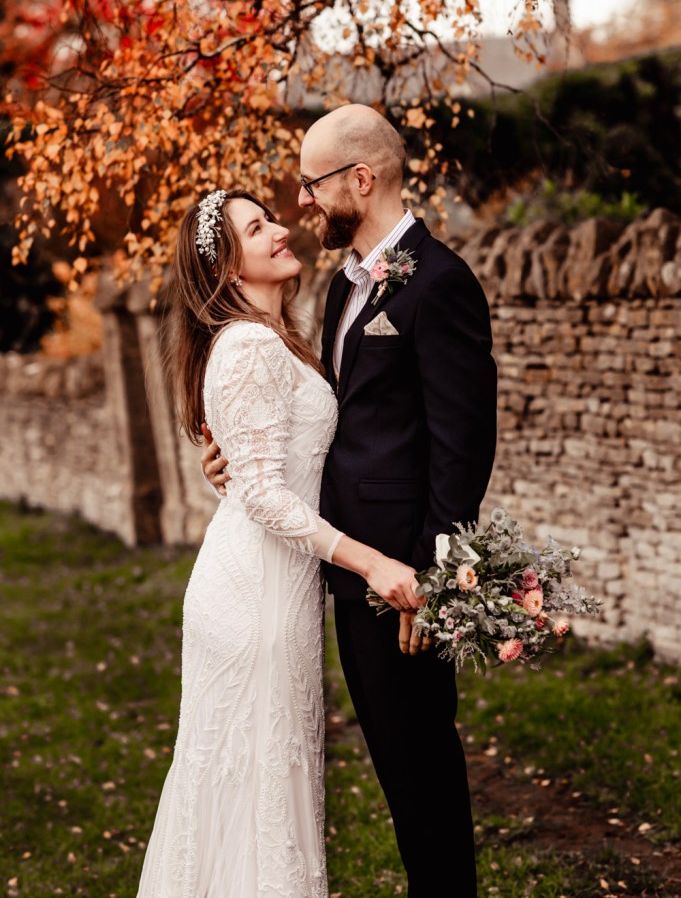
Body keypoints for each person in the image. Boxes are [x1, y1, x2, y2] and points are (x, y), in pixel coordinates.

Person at [204, 104, 498, 897]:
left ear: (360, 180)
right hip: (345, 576)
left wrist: (432, 585)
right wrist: (239, 457)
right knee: (398, 774)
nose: (302, 203)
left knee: (424, 774)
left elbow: (462, 450)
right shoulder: (338, 290)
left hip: (398, 578)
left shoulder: (438, 284)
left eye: (311, 184)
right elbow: (328, 422)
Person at [136, 188, 422, 898]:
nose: (281, 229)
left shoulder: (278, 337)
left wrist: (229, 477)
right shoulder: (249, 346)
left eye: (270, 217)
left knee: (258, 789)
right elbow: (263, 495)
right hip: (252, 601)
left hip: (274, 586)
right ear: (228, 270)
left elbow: (261, 472)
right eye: (256, 228)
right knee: (253, 786)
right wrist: (372, 560)